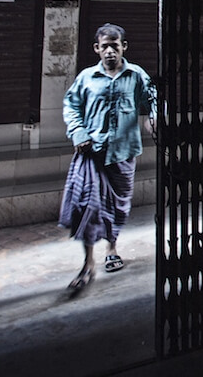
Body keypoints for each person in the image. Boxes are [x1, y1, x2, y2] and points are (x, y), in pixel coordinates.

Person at [59, 22, 157, 293]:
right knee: (88, 206)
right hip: (92, 154)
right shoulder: (87, 78)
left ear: (124, 46)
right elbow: (71, 106)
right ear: (97, 49)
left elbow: (153, 98)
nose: (110, 51)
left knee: (118, 207)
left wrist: (154, 116)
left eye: (115, 45)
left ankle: (112, 248)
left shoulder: (136, 75)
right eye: (105, 46)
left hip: (124, 153)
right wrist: (78, 133)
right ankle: (88, 262)